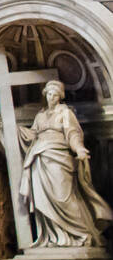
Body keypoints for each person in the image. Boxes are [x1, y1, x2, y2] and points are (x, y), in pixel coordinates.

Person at [18, 80, 113, 247]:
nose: (51, 97)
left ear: (60, 97)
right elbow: (32, 135)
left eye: (55, 95)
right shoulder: (40, 116)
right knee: (44, 200)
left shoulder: (65, 113)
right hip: (39, 160)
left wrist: (79, 149)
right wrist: (12, 128)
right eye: (48, 94)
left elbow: (73, 133)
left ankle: (81, 234)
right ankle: (53, 237)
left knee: (63, 198)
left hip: (59, 159)